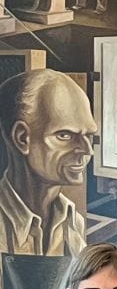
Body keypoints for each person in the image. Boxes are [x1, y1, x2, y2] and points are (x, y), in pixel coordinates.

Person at [0, 69, 96, 257]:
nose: (87, 150)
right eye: (65, 135)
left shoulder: (72, 221)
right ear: (22, 138)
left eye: (89, 136)